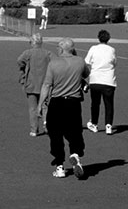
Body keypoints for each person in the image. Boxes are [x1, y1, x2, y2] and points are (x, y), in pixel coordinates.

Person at [38, 38, 89, 179]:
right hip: (73, 103)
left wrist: (40, 105)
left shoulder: (53, 63)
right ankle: (75, 153)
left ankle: (59, 165)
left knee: (55, 134)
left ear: (60, 49)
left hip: (57, 103)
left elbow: (47, 85)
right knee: (74, 131)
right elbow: (86, 74)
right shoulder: (80, 61)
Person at [17, 33, 52, 137]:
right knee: (45, 106)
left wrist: (25, 67)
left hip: (31, 84)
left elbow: (19, 61)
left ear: (32, 42)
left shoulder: (28, 53)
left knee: (32, 108)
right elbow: (55, 62)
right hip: (45, 84)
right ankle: (47, 127)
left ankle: (34, 129)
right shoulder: (48, 53)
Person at [85, 30, 117, 135]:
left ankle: (94, 123)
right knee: (109, 104)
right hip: (108, 80)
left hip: (95, 80)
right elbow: (114, 62)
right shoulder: (112, 50)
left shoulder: (93, 49)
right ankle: (109, 125)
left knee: (95, 103)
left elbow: (87, 62)